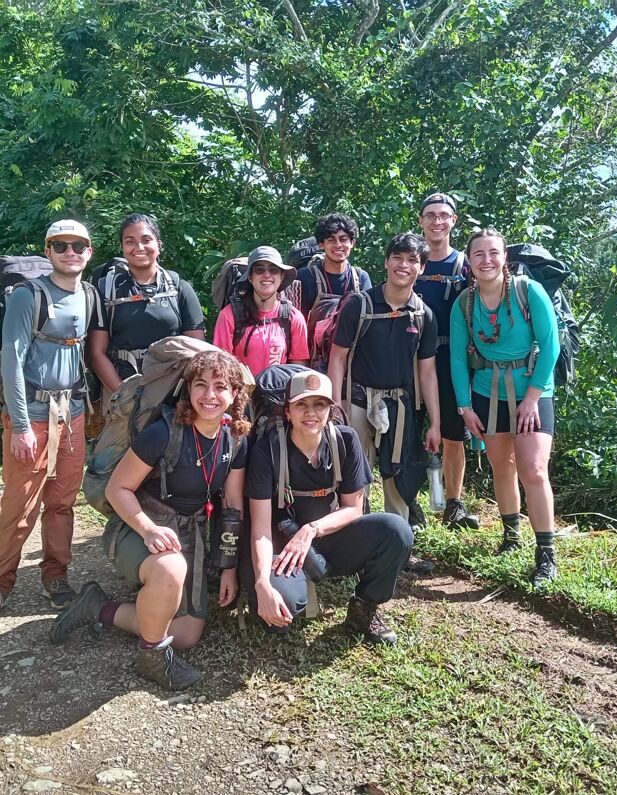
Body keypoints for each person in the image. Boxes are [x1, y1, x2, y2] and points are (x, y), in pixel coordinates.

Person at [49, 351, 250, 689]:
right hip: (136, 529)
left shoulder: (235, 439)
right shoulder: (164, 432)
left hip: (188, 536)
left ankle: (97, 607)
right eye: (201, 385)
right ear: (188, 390)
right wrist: (149, 529)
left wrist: (229, 566)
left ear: (235, 395)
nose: (210, 396)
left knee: (185, 634)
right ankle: (152, 656)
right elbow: (118, 489)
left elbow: (232, 506)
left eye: (221, 387)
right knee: (170, 569)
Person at [242, 370, 412, 644]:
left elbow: (354, 509)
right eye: (301, 405)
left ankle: (363, 608)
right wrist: (262, 583)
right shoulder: (267, 450)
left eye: (319, 404)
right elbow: (260, 529)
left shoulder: (345, 440)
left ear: (331, 410)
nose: (311, 413)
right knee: (281, 611)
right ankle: (290, 587)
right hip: (282, 546)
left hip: (328, 536)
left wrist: (311, 530)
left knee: (396, 530)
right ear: (288, 412)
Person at [450, 229, 560, 585]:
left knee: (534, 470)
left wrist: (531, 399)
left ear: (504, 257)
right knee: (502, 466)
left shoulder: (528, 291)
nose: (486, 260)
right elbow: (456, 357)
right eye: (478, 254)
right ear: (469, 261)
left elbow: (550, 345)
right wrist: (465, 406)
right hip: (486, 390)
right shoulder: (465, 303)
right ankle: (511, 536)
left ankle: (546, 554)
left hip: (533, 389)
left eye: (493, 253)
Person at [328, 233, 440, 576]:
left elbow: (427, 373)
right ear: (386, 261)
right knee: (353, 479)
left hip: (400, 407)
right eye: (398, 258)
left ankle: (397, 552)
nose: (403, 266)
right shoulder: (359, 304)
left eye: (412, 261)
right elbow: (337, 359)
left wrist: (434, 421)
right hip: (357, 402)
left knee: (398, 479)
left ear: (420, 268)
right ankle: (353, 550)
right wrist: (334, 407)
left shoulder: (423, 315)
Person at [0, 220, 99, 610]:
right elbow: (11, 360)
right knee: (19, 504)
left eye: (78, 245)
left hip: (71, 416)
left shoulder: (88, 295)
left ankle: (56, 575)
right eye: (60, 246)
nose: (70, 252)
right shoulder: (29, 295)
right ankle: (3, 578)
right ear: (48, 252)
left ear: (89, 252)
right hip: (32, 417)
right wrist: (21, 426)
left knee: (61, 502)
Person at [414, 192, 478, 531]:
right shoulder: (411, 259)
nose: (437, 221)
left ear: (454, 221)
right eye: (430, 215)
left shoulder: (465, 265)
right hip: (411, 360)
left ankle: (453, 503)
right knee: (409, 432)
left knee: (454, 435)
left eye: (444, 215)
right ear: (421, 221)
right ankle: (411, 504)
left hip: (451, 359)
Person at [88, 213, 205, 399]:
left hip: (175, 393)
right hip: (122, 391)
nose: (138, 247)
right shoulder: (108, 290)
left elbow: (198, 350)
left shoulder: (179, 288)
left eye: (146, 239)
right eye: (130, 241)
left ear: (159, 244)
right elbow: (96, 352)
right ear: (122, 247)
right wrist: (123, 397)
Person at [213, 245, 309, 374]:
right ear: (250, 277)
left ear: (281, 277)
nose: (267, 275)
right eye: (259, 270)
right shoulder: (230, 315)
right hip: (240, 391)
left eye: (274, 270)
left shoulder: (293, 317)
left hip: (279, 392)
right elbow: (221, 364)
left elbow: (298, 367)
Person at [294, 213, 372, 317]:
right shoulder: (304, 277)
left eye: (343, 239)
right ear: (321, 244)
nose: (338, 245)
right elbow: (293, 322)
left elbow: (368, 319)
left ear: (352, 243)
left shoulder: (361, 278)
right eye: (331, 240)